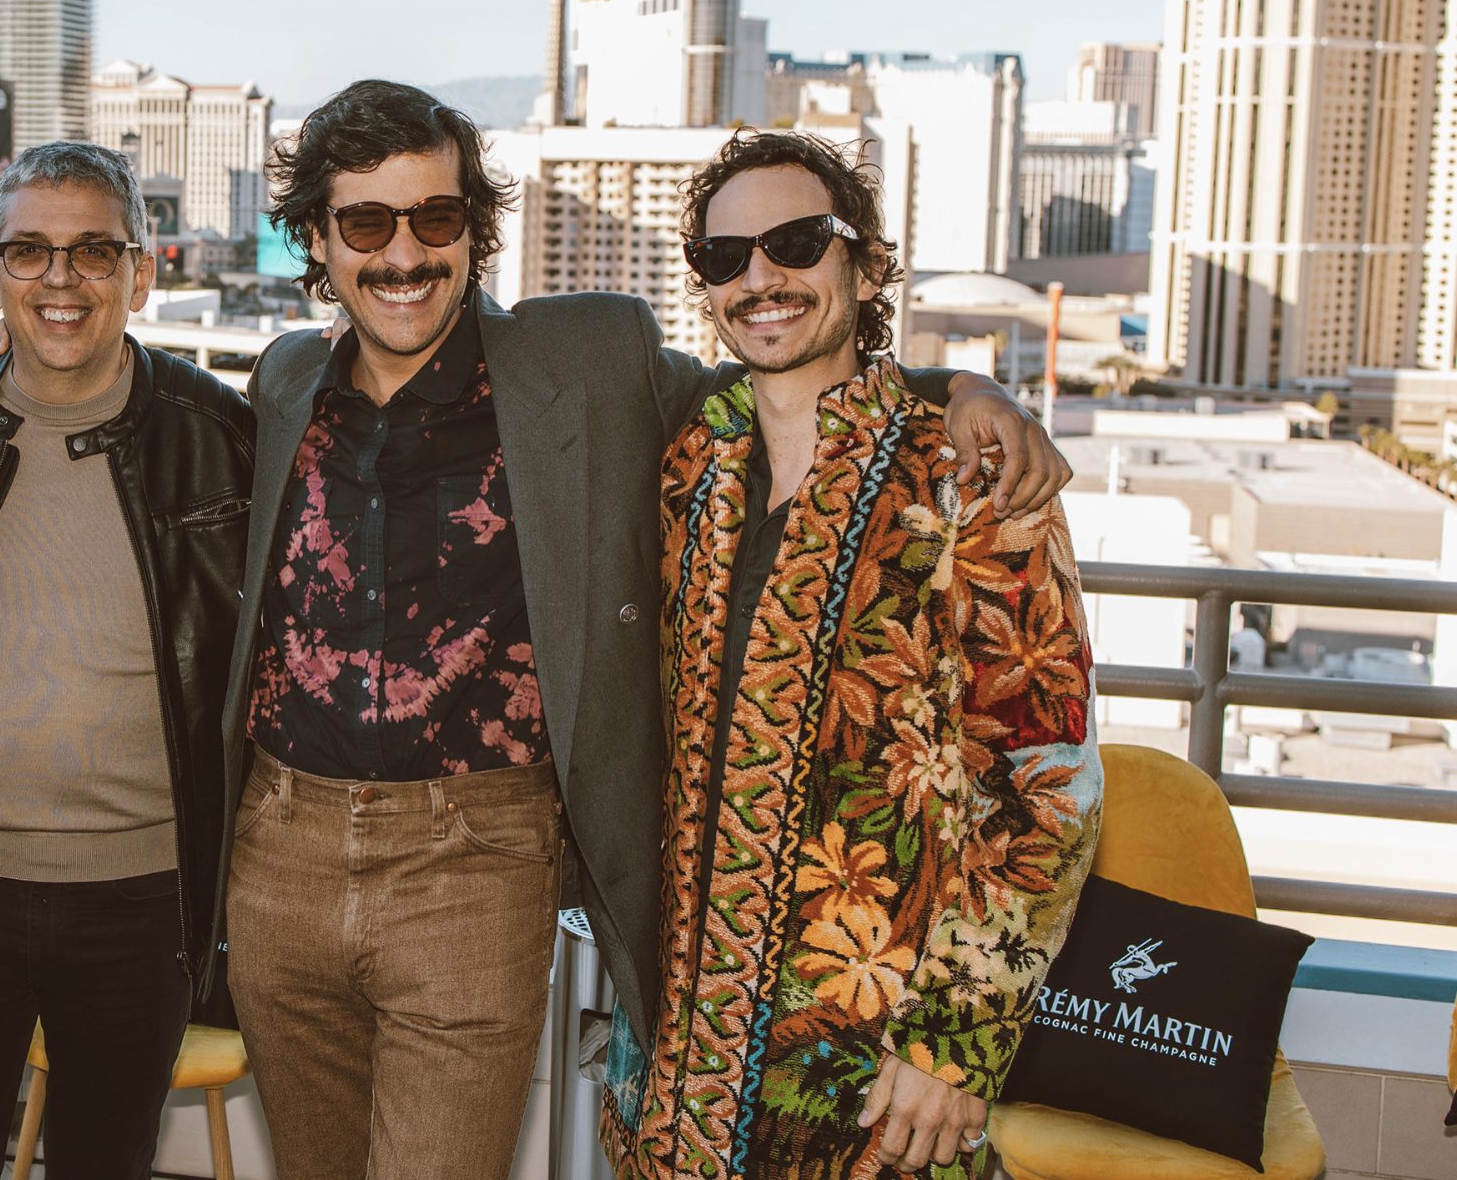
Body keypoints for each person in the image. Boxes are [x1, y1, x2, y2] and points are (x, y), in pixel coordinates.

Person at [213, 81, 1073, 1180]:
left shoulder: (587, 366)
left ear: (475, 230)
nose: (403, 255)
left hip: (477, 866)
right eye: (366, 224)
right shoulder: (286, 379)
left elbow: (790, 369)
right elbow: (772, 379)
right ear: (317, 241)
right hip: (284, 852)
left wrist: (966, 384)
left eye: (435, 220)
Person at [600, 130, 1103, 1179]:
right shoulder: (689, 463)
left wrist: (956, 1045)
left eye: (795, 242)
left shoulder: (971, 480)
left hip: (880, 1074)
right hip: (678, 1074)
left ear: (866, 265)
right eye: (726, 258)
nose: (761, 278)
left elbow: (1048, 784)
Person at [0, 142, 255, 1179]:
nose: (59, 278)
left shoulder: (222, 437)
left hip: (142, 903)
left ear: (143, 271)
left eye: (94, 249)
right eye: (29, 250)